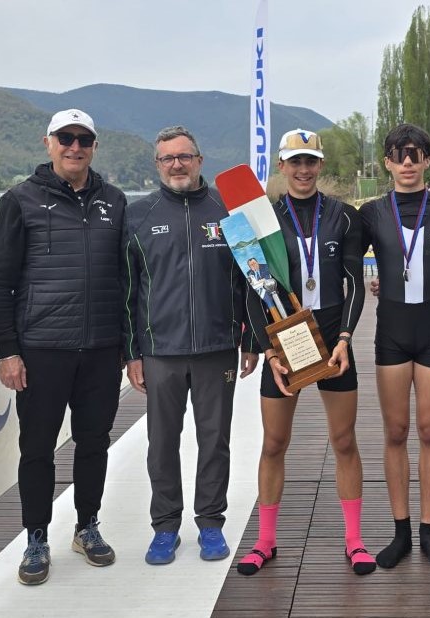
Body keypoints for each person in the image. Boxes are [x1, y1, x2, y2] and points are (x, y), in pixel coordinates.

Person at [0, 109, 126, 585]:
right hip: (42, 349)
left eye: (84, 139)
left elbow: (130, 278)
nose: (74, 147)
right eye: (65, 138)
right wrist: (7, 350)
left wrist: (132, 346)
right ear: (48, 143)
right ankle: (36, 537)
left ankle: (87, 526)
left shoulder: (116, 201)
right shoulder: (19, 200)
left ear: (94, 147)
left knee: (93, 444)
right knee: (37, 449)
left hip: (102, 348)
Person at [237, 128, 375, 576]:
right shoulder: (264, 219)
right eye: (295, 162)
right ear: (281, 166)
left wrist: (346, 338)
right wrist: (267, 351)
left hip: (333, 340)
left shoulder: (343, 217)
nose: (303, 169)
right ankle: (265, 541)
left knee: (344, 441)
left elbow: (354, 281)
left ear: (320, 165)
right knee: (274, 443)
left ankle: (354, 541)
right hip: (285, 342)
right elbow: (253, 293)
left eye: (310, 161)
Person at [122, 126, 261, 566]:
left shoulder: (227, 210)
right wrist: (131, 352)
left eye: (184, 156)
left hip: (217, 347)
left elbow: (249, 280)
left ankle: (210, 522)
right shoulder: (138, 215)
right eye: (168, 158)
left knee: (214, 439)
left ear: (200, 161)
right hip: (161, 350)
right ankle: (165, 526)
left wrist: (250, 340)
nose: (177, 165)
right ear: (157, 165)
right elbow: (126, 290)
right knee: (162, 442)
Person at [358, 123, 430, 569]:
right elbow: (338, 262)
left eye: (415, 153)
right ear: (386, 161)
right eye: (398, 154)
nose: (407, 161)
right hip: (392, 334)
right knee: (396, 432)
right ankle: (400, 530)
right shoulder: (371, 213)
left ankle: (428, 529)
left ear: (426, 160)